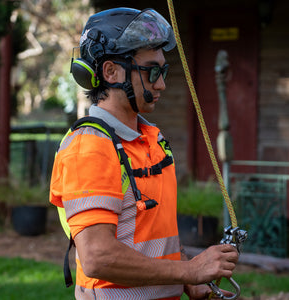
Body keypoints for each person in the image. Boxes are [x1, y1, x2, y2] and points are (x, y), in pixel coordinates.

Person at [49, 7, 238, 300]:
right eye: (151, 71)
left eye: (163, 71)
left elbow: (153, 236)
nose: (161, 83)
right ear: (111, 72)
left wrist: (191, 280)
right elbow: (98, 257)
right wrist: (189, 271)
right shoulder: (90, 147)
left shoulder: (151, 139)